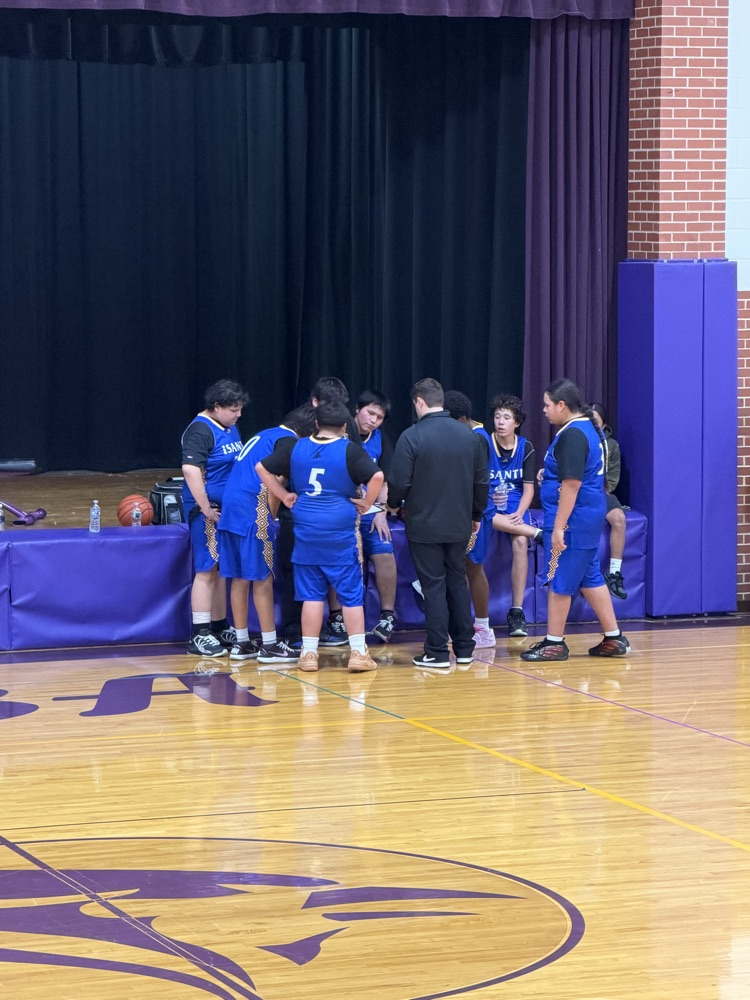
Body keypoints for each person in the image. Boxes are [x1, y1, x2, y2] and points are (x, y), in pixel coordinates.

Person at [257, 400, 383, 674]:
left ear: (315, 423)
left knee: (312, 595)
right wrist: (366, 503)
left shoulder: (295, 446)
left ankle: (309, 655)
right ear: (344, 426)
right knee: (350, 595)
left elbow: (262, 469)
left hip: (306, 531)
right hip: (339, 533)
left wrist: (284, 495)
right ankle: (359, 653)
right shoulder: (349, 450)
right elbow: (377, 476)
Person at [520, 379, 630, 662]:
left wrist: (558, 528)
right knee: (590, 576)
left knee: (559, 577)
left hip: (573, 519)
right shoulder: (587, 430)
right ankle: (614, 638)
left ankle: (554, 643)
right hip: (587, 516)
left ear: (561, 405)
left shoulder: (573, 435)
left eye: (547, 405)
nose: (543, 410)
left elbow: (571, 485)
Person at [387, 378, 489, 669]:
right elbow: (482, 481)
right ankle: (465, 648)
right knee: (457, 581)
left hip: (424, 524)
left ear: (419, 402)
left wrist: (394, 504)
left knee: (433, 585)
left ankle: (436, 651)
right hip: (459, 523)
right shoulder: (470, 435)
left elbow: (399, 482)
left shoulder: (412, 436)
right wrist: (475, 515)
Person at [217, 405, 316, 665]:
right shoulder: (289, 442)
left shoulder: (265, 434)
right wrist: (271, 518)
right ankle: (270, 645)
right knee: (262, 579)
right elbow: (275, 482)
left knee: (239, 578)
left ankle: (241, 643)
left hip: (231, 508)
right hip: (253, 509)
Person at [277, 376, 360, 648]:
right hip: (303, 513)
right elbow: (272, 469)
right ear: (314, 404)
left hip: (336, 516)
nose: (334, 413)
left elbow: (365, 469)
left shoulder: (345, 422)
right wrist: (281, 501)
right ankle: (295, 633)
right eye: (328, 406)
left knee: (337, 577)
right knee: (299, 577)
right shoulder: (296, 424)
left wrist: (368, 504)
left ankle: (329, 629)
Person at [181, 379, 247, 658]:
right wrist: (206, 508)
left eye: (240, 409)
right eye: (233, 409)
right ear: (216, 407)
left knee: (221, 567)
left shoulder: (228, 426)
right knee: (206, 568)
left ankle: (220, 626)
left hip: (226, 508)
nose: (238, 415)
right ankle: (200, 633)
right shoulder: (200, 430)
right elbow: (191, 471)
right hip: (207, 509)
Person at [442, 390, 495, 648]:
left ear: (462, 418)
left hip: (477, 512)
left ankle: (483, 627)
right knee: (460, 567)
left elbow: (478, 481)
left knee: (473, 567)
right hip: (461, 511)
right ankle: (462, 624)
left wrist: (475, 512)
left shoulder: (478, 439)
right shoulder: (469, 434)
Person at [487, 394, 536, 637]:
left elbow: (528, 489)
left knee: (520, 542)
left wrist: (519, 512)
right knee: (476, 529)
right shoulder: (484, 443)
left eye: (506, 417)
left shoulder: (525, 447)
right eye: (497, 416)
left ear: (516, 422)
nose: (501, 421)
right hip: (488, 499)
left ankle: (516, 611)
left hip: (515, 502)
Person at [353, 390, 398, 643]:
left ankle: (387, 616)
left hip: (370, 510)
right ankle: (337, 617)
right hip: (343, 508)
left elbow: (384, 480)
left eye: (379, 417)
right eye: (370, 413)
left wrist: (381, 511)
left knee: (385, 551)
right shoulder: (342, 434)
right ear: (357, 409)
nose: (373, 420)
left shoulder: (380, 439)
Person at [591, 403, 628, 600]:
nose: (593, 426)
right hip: (578, 494)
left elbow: (612, 479)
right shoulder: (577, 440)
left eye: (596, 423)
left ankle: (614, 573)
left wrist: (599, 493)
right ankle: (586, 576)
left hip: (601, 493)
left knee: (619, 518)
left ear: (604, 425)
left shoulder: (612, 446)